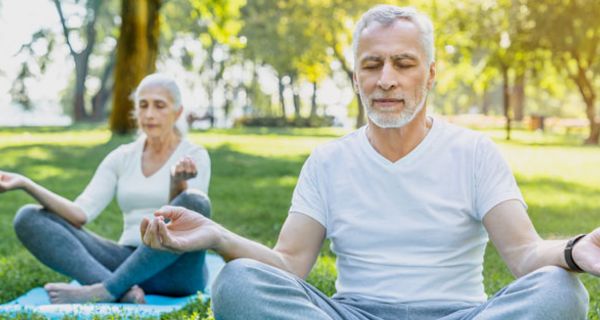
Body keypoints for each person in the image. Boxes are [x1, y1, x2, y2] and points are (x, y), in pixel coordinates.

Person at [140, 6, 594, 320]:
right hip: (351, 311)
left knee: (561, 290)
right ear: (356, 77)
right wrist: (217, 236)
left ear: (431, 73)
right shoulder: (328, 161)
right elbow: (290, 262)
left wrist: (576, 251)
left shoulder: (474, 153)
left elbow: (524, 255)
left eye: (404, 63)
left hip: (461, 313)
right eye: (372, 65)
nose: (387, 80)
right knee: (237, 282)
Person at [0, 73, 212, 304]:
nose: (150, 114)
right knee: (28, 217)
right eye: (143, 105)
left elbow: (187, 221)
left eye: (159, 105)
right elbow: (80, 213)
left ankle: (107, 290)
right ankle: (123, 293)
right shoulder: (121, 157)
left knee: (196, 201)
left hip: (180, 273)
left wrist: (177, 183)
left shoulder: (194, 155)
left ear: (177, 112)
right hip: (127, 263)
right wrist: (25, 183)